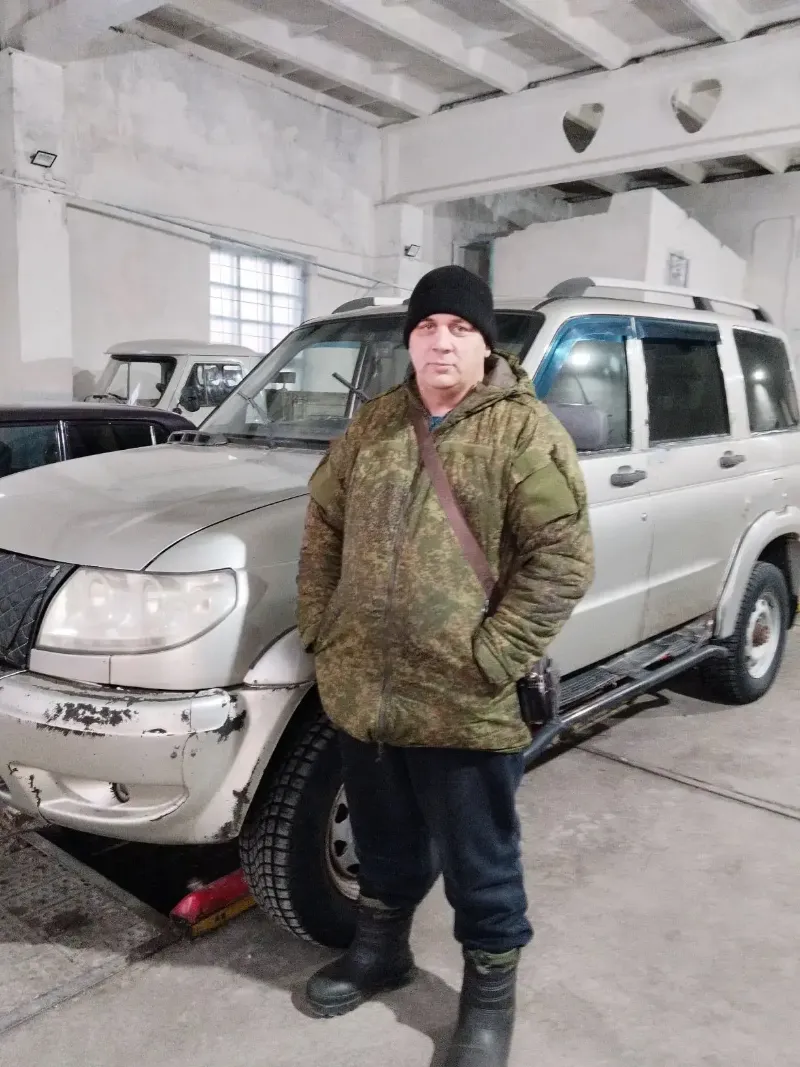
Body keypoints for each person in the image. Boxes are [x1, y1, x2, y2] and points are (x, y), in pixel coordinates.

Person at [296, 265, 594, 1066]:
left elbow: (562, 560)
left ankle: (488, 1002)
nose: (441, 341)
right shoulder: (376, 423)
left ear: (484, 343)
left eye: (460, 328)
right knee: (384, 840)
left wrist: (492, 654)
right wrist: (323, 622)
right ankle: (380, 951)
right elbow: (323, 522)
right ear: (410, 340)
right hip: (367, 690)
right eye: (427, 326)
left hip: (466, 700)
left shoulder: (524, 433)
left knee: (479, 863)